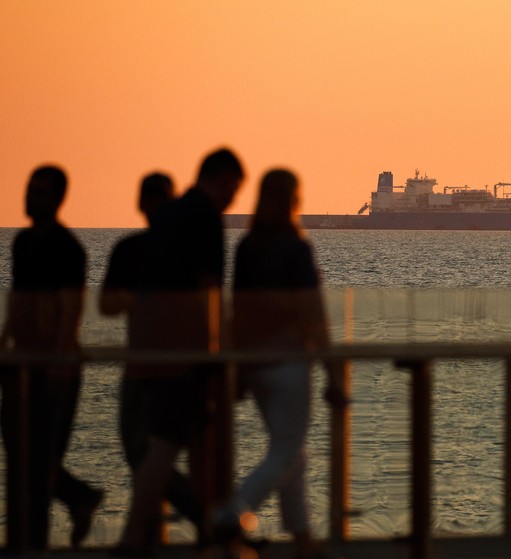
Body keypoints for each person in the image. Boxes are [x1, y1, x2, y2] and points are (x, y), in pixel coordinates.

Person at [212, 169, 347, 559]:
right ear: (294, 200)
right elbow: (314, 315)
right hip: (289, 363)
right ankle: (233, 510)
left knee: (291, 451)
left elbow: (236, 311)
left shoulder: (248, 246)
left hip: (254, 364)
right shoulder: (295, 248)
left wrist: (235, 368)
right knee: (287, 452)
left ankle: (303, 539)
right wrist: (333, 372)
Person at [118, 148, 244, 553]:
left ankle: (161, 536)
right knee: (191, 452)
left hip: (156, 351)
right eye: (235, 190)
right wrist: (219, 354)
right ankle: (149, 537)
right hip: (189, 358)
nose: (234, 201)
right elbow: (209, 293)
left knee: (162, 449)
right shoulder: (205, 218)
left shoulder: (169, 215)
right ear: (224, 179)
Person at [0, 165, 103, 549]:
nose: (30, 197)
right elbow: (19, 299)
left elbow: (70, 306)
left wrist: (59, 360)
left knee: (41, 455)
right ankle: (76, 501)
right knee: (20, 450)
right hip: (22, 365)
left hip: (54, 367)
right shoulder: (22, 242)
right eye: (29, 189)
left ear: (58, 198)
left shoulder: (68, 248)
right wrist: (6, 341)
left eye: (40, 192)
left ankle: (35, 539)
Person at [98, 173, 204, 543]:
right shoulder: (132, 250)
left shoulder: (163, 252)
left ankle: (149, 535)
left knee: (146, 455)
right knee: (142, 455)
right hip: (150, 369)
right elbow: (107, 304)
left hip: (163, 370)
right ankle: (209, 520)